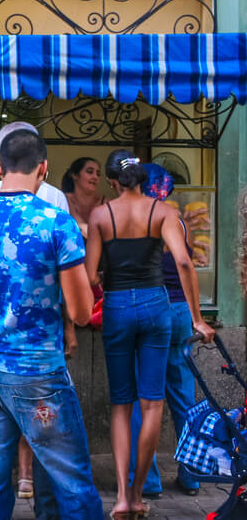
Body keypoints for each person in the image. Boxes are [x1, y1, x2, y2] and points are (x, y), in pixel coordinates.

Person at [0, 129, 102, 520]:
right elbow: (81, 312)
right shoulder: (56, 223)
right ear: (43, 169)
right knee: (72, 482)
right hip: (39, 372)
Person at [85, 149, 214, 520]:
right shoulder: (165, 213)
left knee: (122, 404)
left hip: (118, 307)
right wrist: (197, 319)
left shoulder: (101, 215)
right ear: (143, 179)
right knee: (153, 402)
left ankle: (124, 496)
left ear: (112, 181)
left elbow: (92, 276)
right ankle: (140, 494)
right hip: (158, 306)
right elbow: (185, 261)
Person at [127, 163, 201, 497]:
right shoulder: (177, 221)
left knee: (144, 398)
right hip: (180, 311)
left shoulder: (133, 219)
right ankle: (193, 474)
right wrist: (198, 316)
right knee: (183, 396)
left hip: (148, 309)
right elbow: (186, 264)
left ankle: (148, 481)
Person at [62, 157, 105, 237]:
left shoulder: (105, 203)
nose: (95, 177)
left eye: (98, 174)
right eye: (90, 172)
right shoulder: (64, 200)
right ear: (75, 175)